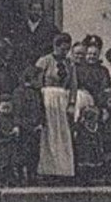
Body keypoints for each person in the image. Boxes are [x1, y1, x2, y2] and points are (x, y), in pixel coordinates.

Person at [34, 33, 79, 180]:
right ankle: (47, 170)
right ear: (55, 46)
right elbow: (36, 82)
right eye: (62, 48)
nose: (64, 52)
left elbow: (73, 85)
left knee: (62, 134)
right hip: (47, 99)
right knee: (49, 134)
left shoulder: (69, 64)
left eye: (67, 49)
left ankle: (62, 169)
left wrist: (72, 103)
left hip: (62, 100)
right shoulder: (44, 61)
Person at [11, 66, 46, 185]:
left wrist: (41, 122)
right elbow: (17, 111)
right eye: (39, 79)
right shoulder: (18, 92)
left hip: (35, 126)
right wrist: (17, 125)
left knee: (34, 153)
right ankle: (20, 177)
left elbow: (41, 109)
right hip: (24, 127)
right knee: (21, 153)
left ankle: (32, 175)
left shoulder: (37, 92)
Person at [8, 0, 60, 72]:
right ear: (29, 11)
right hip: (23, 66)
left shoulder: (50, 28)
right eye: (34, 9)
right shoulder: (19, 27)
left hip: (42, 66)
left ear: (42, 12)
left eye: (39, 10)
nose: (36, 12)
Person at [0, 97, 22, 188]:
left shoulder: (12, 117)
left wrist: (15, 129)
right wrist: (7, 134)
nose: (6, 109)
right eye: (4, 107)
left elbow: (16, 124)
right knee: (0, 162)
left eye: (8, 107)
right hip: (1, 142)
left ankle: (10, 181)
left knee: (10, 162)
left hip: (10, 142)